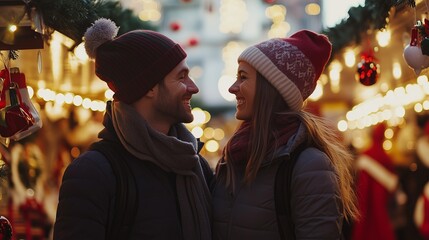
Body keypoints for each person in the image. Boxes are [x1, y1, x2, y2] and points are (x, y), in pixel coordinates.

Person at [53, 18, 213, 240]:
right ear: (149, 87)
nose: (193, 87)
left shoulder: (193, 162)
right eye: (181, 77)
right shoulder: (94, 171)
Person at [212, 30, 359, 239]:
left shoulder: (309, 165)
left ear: (270, 88)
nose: (232, 88)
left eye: (243, 77)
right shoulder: (233, 157)